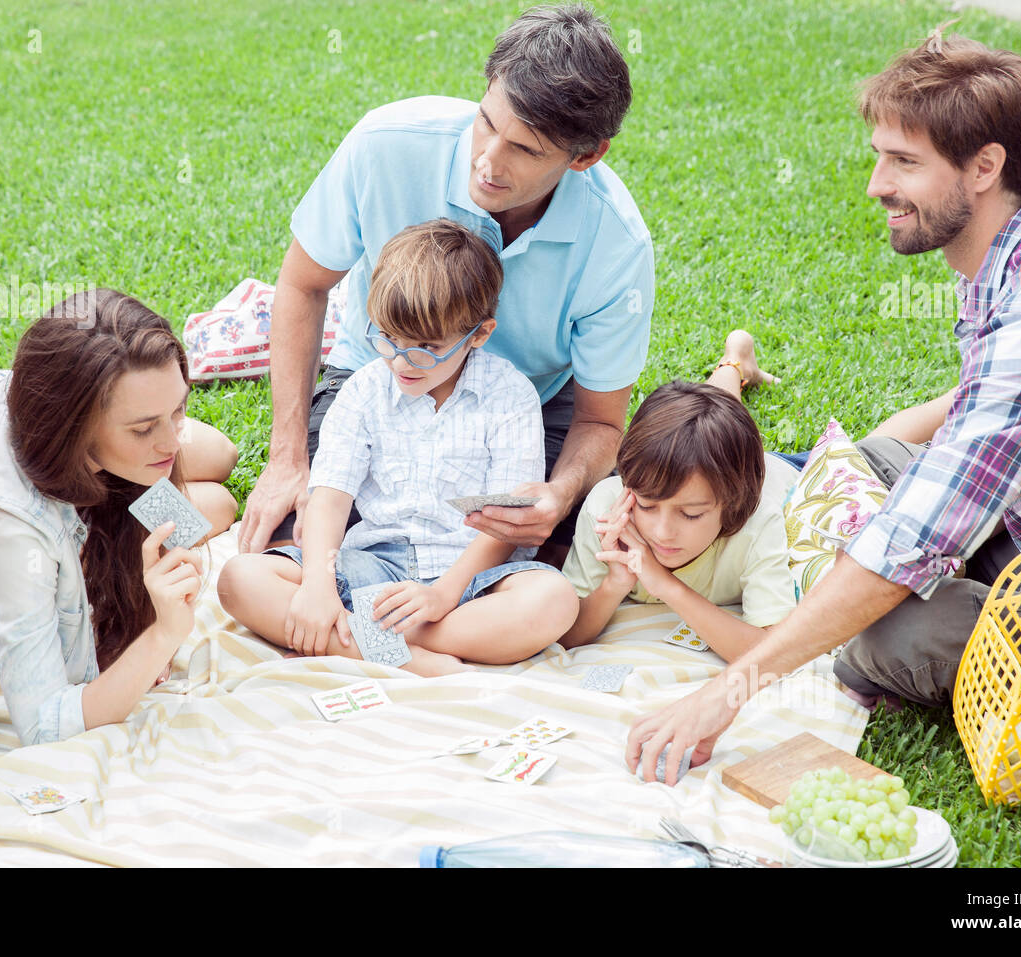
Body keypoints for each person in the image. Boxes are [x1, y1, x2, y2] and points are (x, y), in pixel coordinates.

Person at [626, 30, 1021, 784]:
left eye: (903, 162)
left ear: (985, 166)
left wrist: (730, 687)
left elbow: (911, 539)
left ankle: (958, 659)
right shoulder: (1020, 246)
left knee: (880, 635)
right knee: (865, 472)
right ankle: (863, 595)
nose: (875, 185)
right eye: (880, 155)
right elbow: (975, 410)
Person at [237, 4, 656, 564]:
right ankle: (418, 643)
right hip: (377, 378)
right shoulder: (385, 144)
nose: (487, 160)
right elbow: (302, 286)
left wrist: (559, 495)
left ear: (586, 156)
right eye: (487, 121)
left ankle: (409, 633)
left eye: (525, 150)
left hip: (526, 410)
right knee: (289, 548)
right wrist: (287, 456)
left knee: (566, 567)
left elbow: (600, 420)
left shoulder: (617, 245)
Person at [219, 220, 579, 674]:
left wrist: (442, 595)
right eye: (388, 338)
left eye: (427, 347)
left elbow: (502, 526)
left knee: (553, 600)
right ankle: (418, 660)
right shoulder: (365, 390)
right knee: (240, 579)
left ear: (480, 334)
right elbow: (330, 496)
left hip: (469, 582)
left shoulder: (510, 395)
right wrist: (316, 585)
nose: (402, 361)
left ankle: (360, 642)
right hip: (372, 568)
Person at [0, 291, 240, 746]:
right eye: (145, 427)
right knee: (213, 507)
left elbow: (171, 496)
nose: (172, 441)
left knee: (222, 467)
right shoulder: (9, 523)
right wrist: (162, 635)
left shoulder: (124, 440)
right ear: (75, 426)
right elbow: (45, 724)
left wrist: (153, 427)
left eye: (179, 409)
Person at [560, 374, 796, 661]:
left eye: (691, 515)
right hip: (696, 470)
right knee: (709, 417)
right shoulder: (608, 509)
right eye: (646, 506)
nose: (662, 532)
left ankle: (735, 361)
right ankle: (733, 361)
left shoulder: (758, 523)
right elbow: (568, 634)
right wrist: (615, 583)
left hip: (781, 468)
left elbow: (775, 654)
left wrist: (664, 584)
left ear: (733, 506)